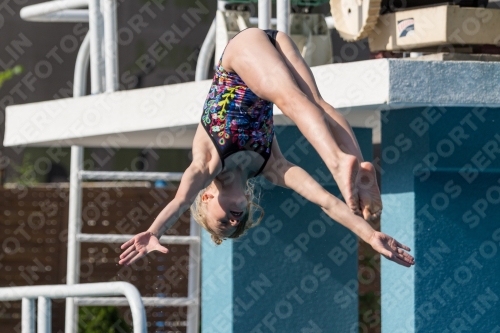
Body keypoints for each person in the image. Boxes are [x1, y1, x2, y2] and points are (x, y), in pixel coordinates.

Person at [119, 28, 415, 268]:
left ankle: (338, 162)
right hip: (275, 43)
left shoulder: (207, 163)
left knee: (288, 99)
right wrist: (370, 235)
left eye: (224, 222)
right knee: (316, 104)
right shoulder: (271, 166)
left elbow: (179, 202)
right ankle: (359, 172)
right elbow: (326, 202)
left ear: (207, 197)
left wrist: (155, 231)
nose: (234, 219)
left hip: (241, 53)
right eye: (239, 221)